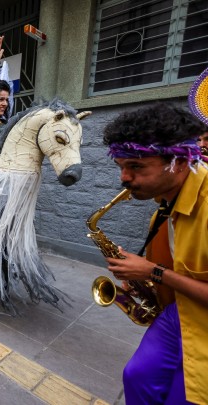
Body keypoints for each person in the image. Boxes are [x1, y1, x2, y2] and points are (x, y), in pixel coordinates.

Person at [102, 103, 208, 405]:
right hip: (181, 312)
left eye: (135, 167)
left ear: (178, 161)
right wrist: (145, 282)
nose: (124, 178)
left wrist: (153, 273)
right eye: (121, 166)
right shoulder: (163, 207)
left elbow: (160, 271)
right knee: (137, 376)